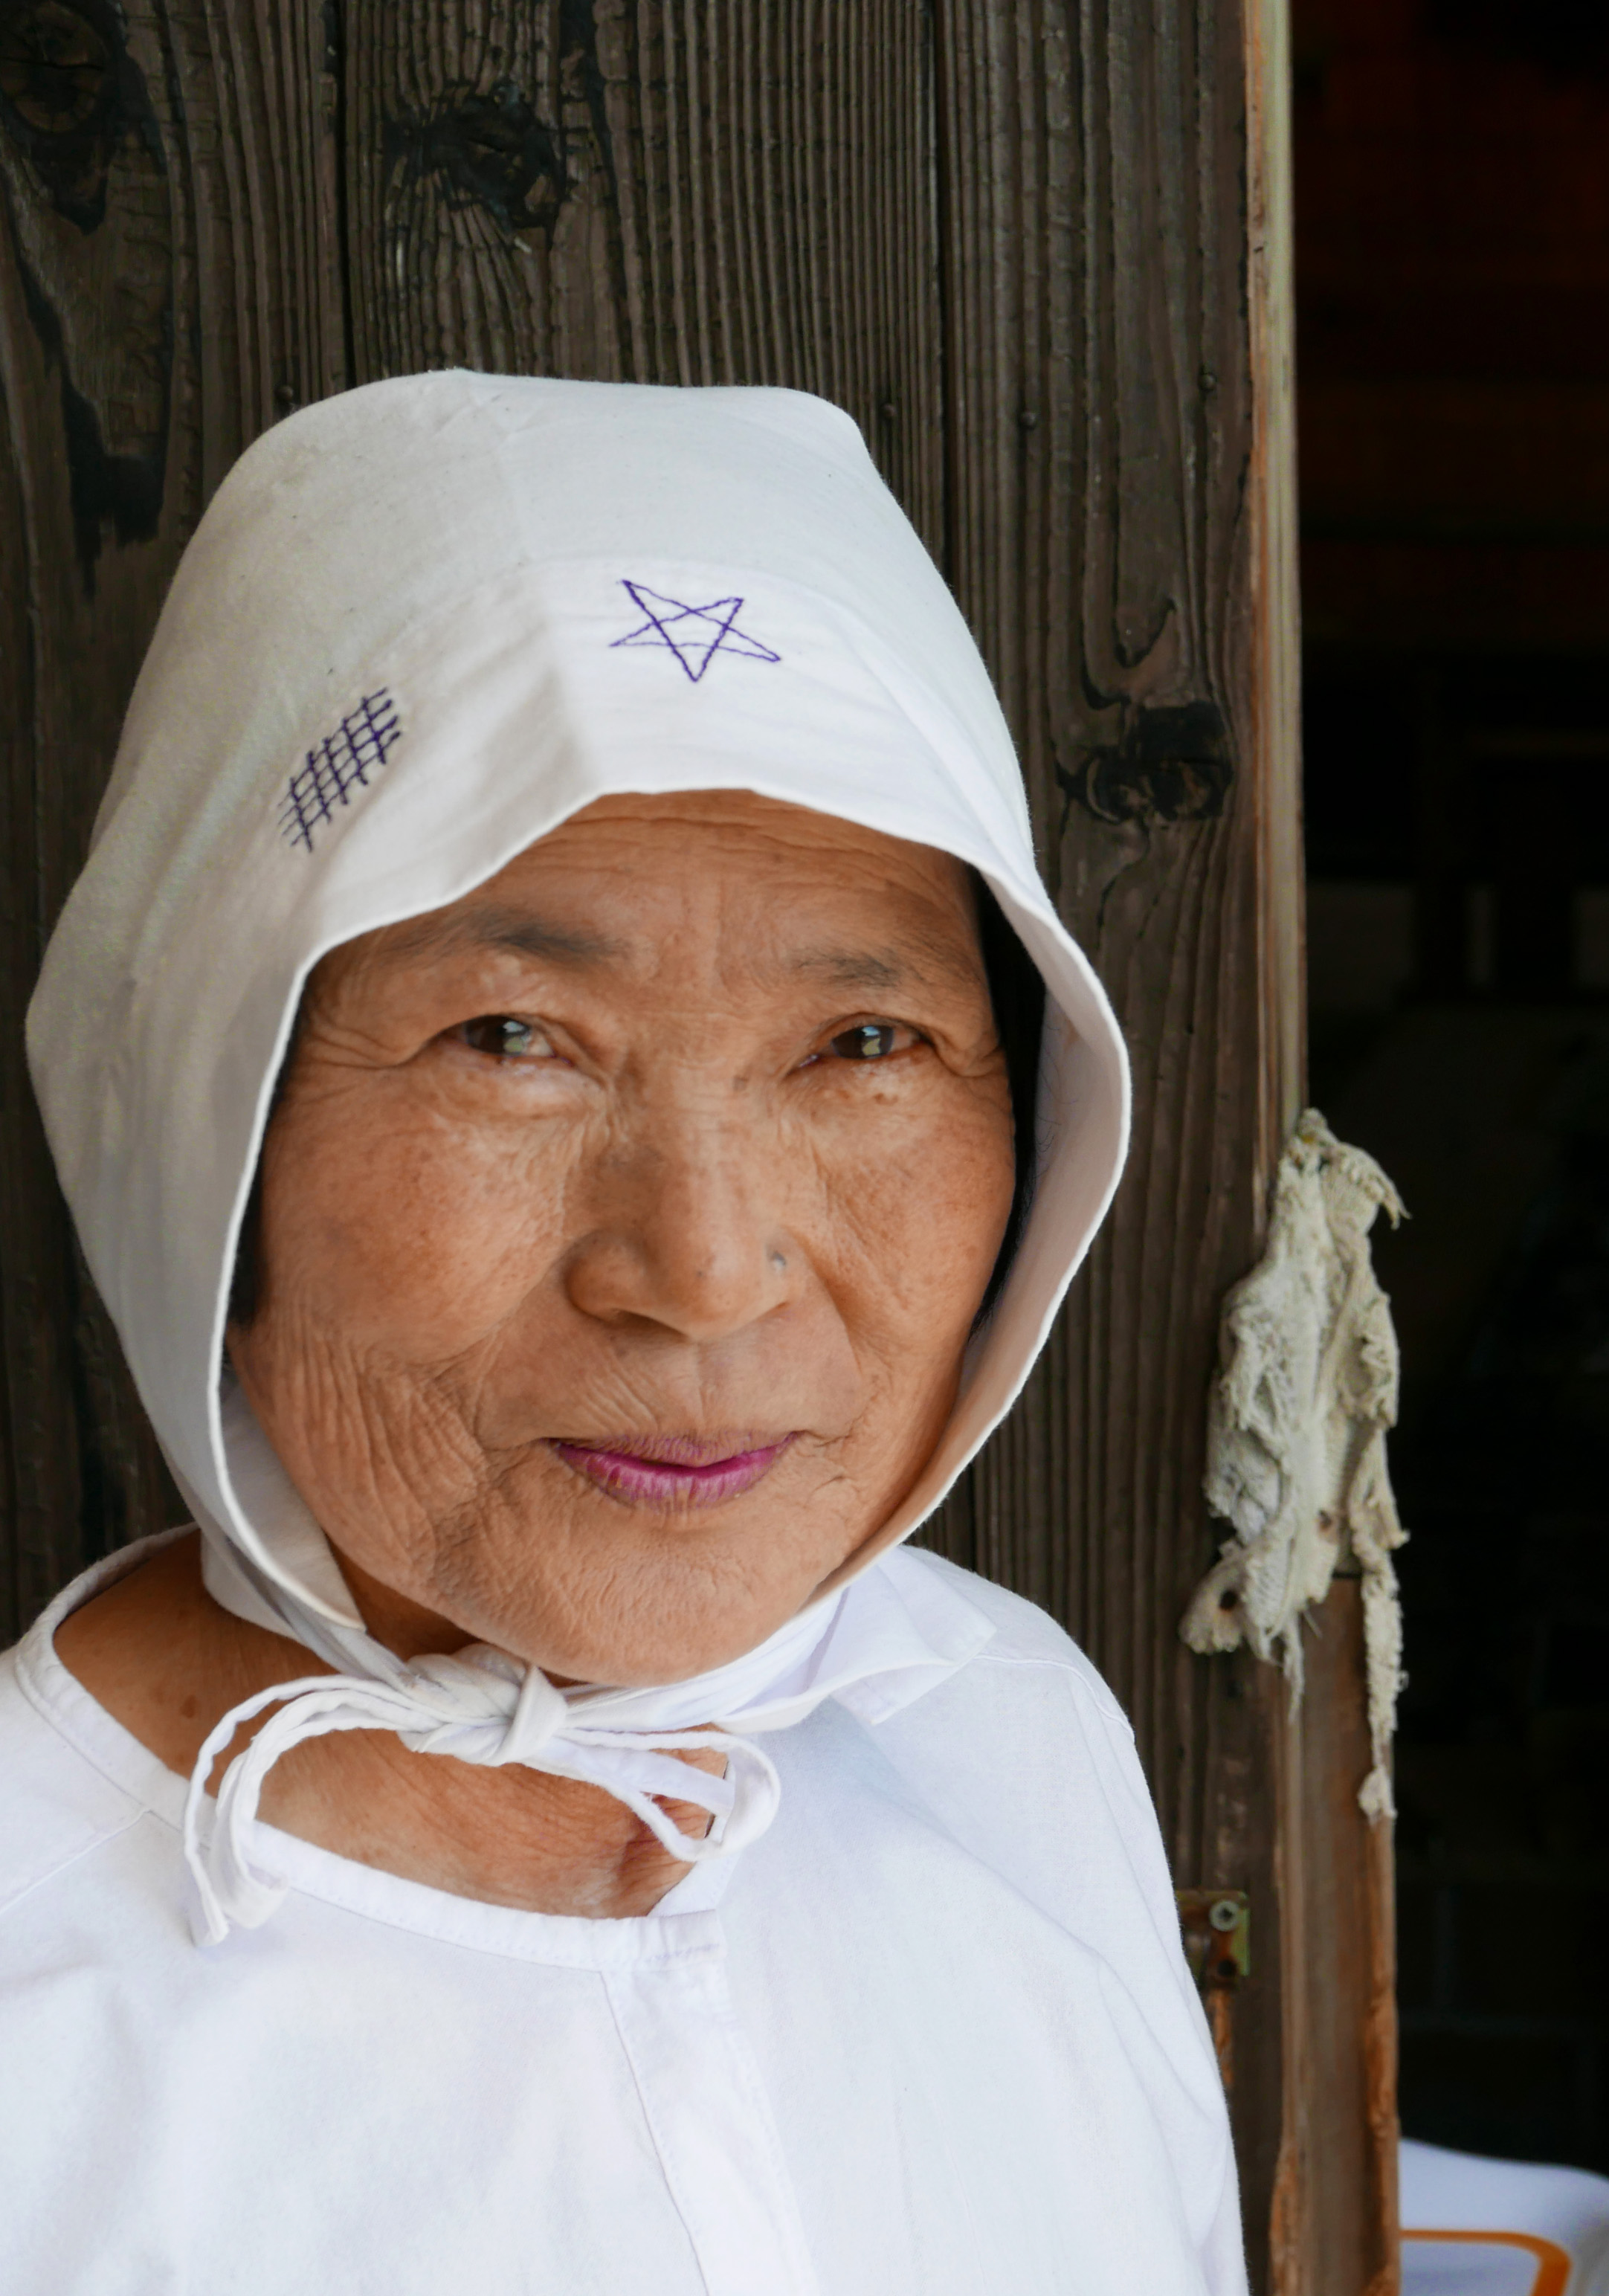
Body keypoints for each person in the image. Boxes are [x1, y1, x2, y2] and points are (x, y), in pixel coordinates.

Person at [0, 373, 1242, 2295]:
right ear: (201, 1124)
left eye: (865, 1044)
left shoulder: (1001, 1731)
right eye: (512, 1041)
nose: (707, 1270)